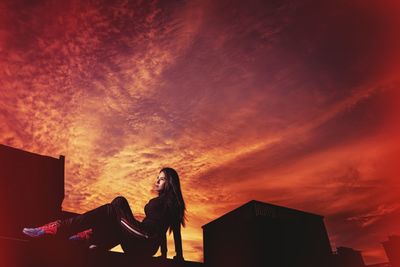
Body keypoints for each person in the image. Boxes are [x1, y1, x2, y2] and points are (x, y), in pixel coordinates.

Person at [22, 167, 186, 260]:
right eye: (157, 177)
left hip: (145, 239)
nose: (157, 181)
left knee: (118, 203)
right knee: (113, 220)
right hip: (140, 241)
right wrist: (163, 253)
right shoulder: (162, 202)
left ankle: (59, 229)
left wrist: (176, 255)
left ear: (170, 182)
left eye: (162, 178)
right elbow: (163, 228)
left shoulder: (172, 203)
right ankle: (91, 241)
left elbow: (171, 230)